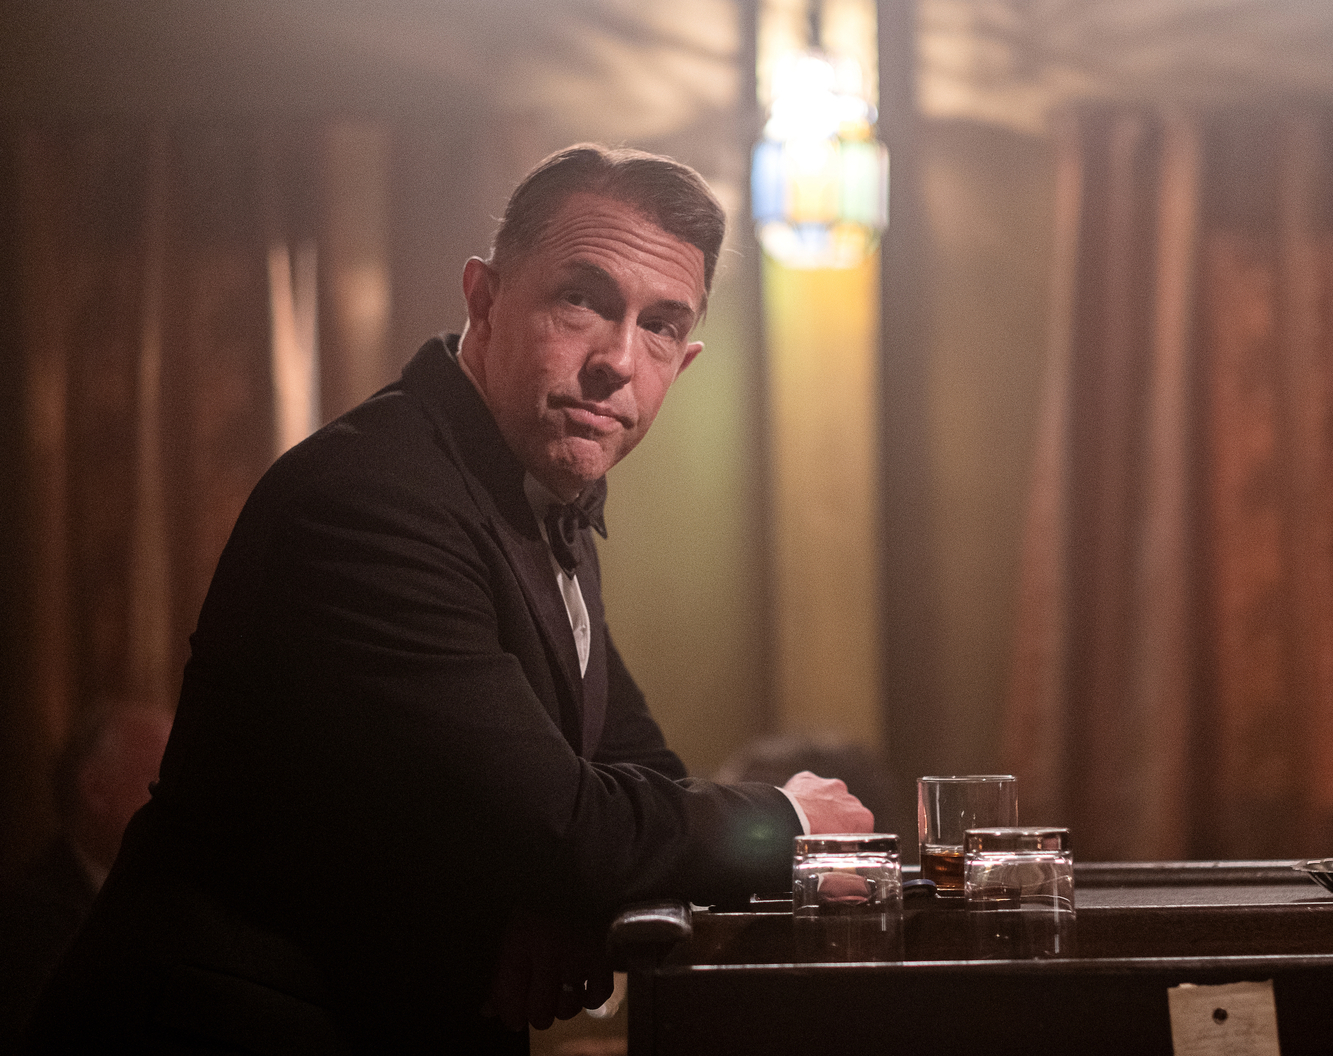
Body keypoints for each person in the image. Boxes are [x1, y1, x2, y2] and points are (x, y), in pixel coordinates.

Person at [25, 144, 871, 1055]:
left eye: (661, 326)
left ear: (685, 358)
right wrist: (785, 821)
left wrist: (564, 900)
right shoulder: (374, 497)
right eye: (583, 300)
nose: (619, 361)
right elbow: (562, 829)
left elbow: (631, 775)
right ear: (484, 299)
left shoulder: (535, 491)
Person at [0, 700, 170, 1049]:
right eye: (158, 784)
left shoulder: (159, 896)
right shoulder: (32, 922)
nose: (175, 806)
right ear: (95, 789)